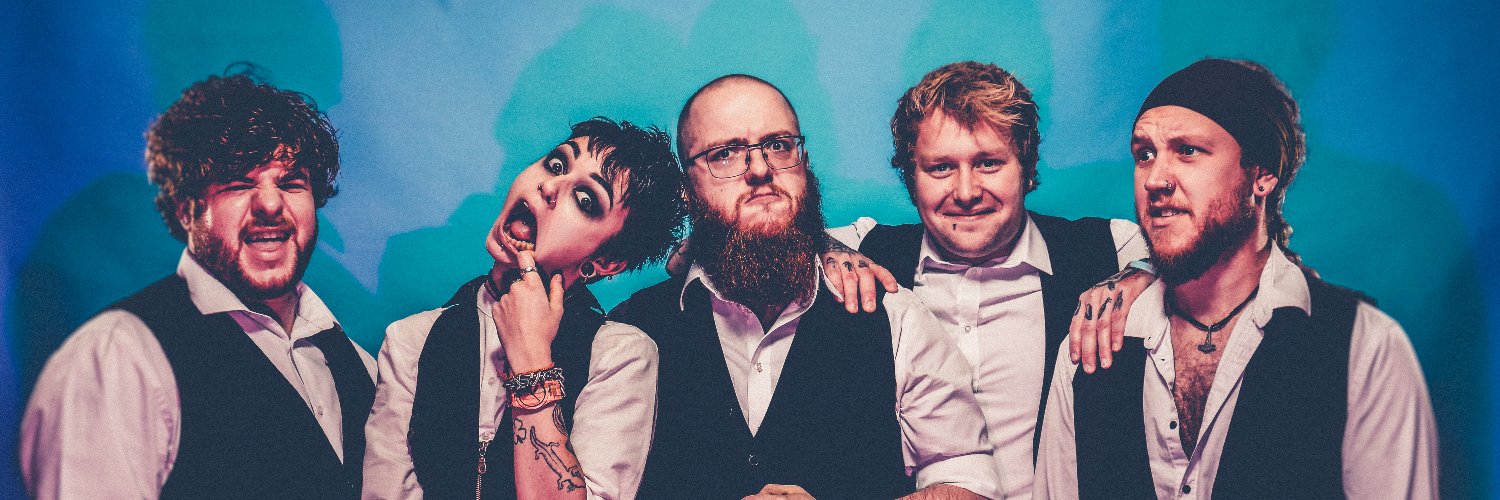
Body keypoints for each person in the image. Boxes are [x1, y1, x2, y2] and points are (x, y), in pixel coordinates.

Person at [1033, 58, 1439, 499]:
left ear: (1262, 174)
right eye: (1144, 155)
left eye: (1188, 151)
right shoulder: (1089, 349)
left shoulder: (1363, 347)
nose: (1156, 179)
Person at [605, 74, 999, 499]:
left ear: (804, 164)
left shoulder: (893, 315)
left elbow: (969, 482)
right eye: (724, 154)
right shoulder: (632, 330)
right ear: (687, 190)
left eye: (778, 146)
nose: (760, 169)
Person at [19, 72, 374, 499]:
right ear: (187, 211)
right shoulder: (119, 356)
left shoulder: (359, 364)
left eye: (290, 183)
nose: (270, 203)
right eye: (239, 183)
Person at [823, 61, 1150, 498]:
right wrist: (827, 248)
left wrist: (1145, 271)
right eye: (940, 168)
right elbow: (777, 232)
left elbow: (1204, 246)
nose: (966, 192)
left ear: (1026, 168)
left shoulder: (1110, 249)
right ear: (911, 178)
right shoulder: (867, 247)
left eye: (989, 163)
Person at [361, 117, 686, 499]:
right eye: (556, 164)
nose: (549, 186)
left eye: (585, 200)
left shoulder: (619, 356)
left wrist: (531, 359)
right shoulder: (411, 340)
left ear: (605, 261)